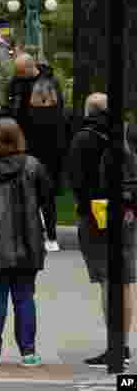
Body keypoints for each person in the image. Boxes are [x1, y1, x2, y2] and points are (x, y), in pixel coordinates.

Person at [0, 118, 48, 368]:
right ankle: (28, 352)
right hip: (27, 241)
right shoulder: (33, 166)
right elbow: (47, 198)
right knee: (25, 298)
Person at [68, 93, 137, 368]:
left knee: (109, 282)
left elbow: (76, 181)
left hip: (98, 216)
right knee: (127, 281)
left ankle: (114, 346)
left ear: (89, 110)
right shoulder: (128, 133)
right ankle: (125, 345)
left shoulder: (84, 138)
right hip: (128, 214)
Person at [25, 63, 66, 252]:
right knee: (49, 201)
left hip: (33, 161)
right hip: (51, 163)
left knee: (31, 200)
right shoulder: (58, 116)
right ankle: (52, 236)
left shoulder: (30, 115)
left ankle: (34, 236)